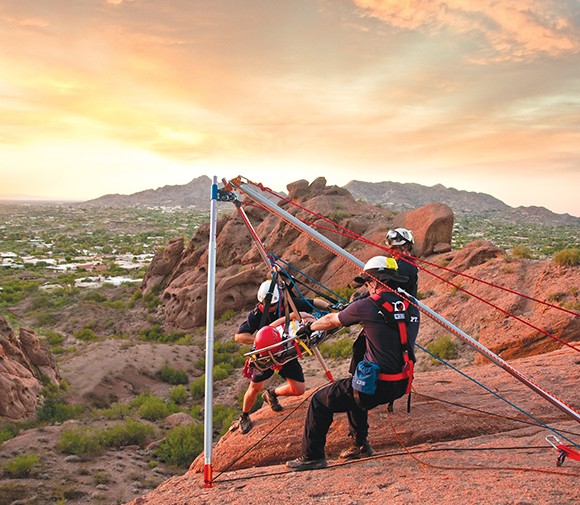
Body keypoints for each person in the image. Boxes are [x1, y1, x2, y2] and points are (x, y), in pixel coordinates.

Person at [286, 256, 412, 471]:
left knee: (319, 401)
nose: (366, 287)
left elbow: (330, 321)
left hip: (377, 386)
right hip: (401, 383)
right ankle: (360, 445)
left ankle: (312, 457)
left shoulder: (367, 305)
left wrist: (310, 327)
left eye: (367, 282)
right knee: (355, 384)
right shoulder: (411, 303)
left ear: (375, 281)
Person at [234, 279, 332, 434]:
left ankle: (272, 394)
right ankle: (244, 416)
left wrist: (329, 307)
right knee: (254, 388)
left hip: (285, 354)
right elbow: (239, 336)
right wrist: (262, 340)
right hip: (265, 356)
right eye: (267, 305)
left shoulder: (288, 304)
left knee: (299, 389)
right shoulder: (257, 313)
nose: (269, 307)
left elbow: (313, 302)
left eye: (272, 305)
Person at [349, 228, 420, 374]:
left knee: (363, 347)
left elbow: (385, 286)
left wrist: (358, 301)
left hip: (391, 313)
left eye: (394, 248)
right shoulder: (400, 264)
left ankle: (361, 380)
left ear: (405, 247)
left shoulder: (405, 266)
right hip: (392, 311)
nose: (392, 251)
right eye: (390, 248)